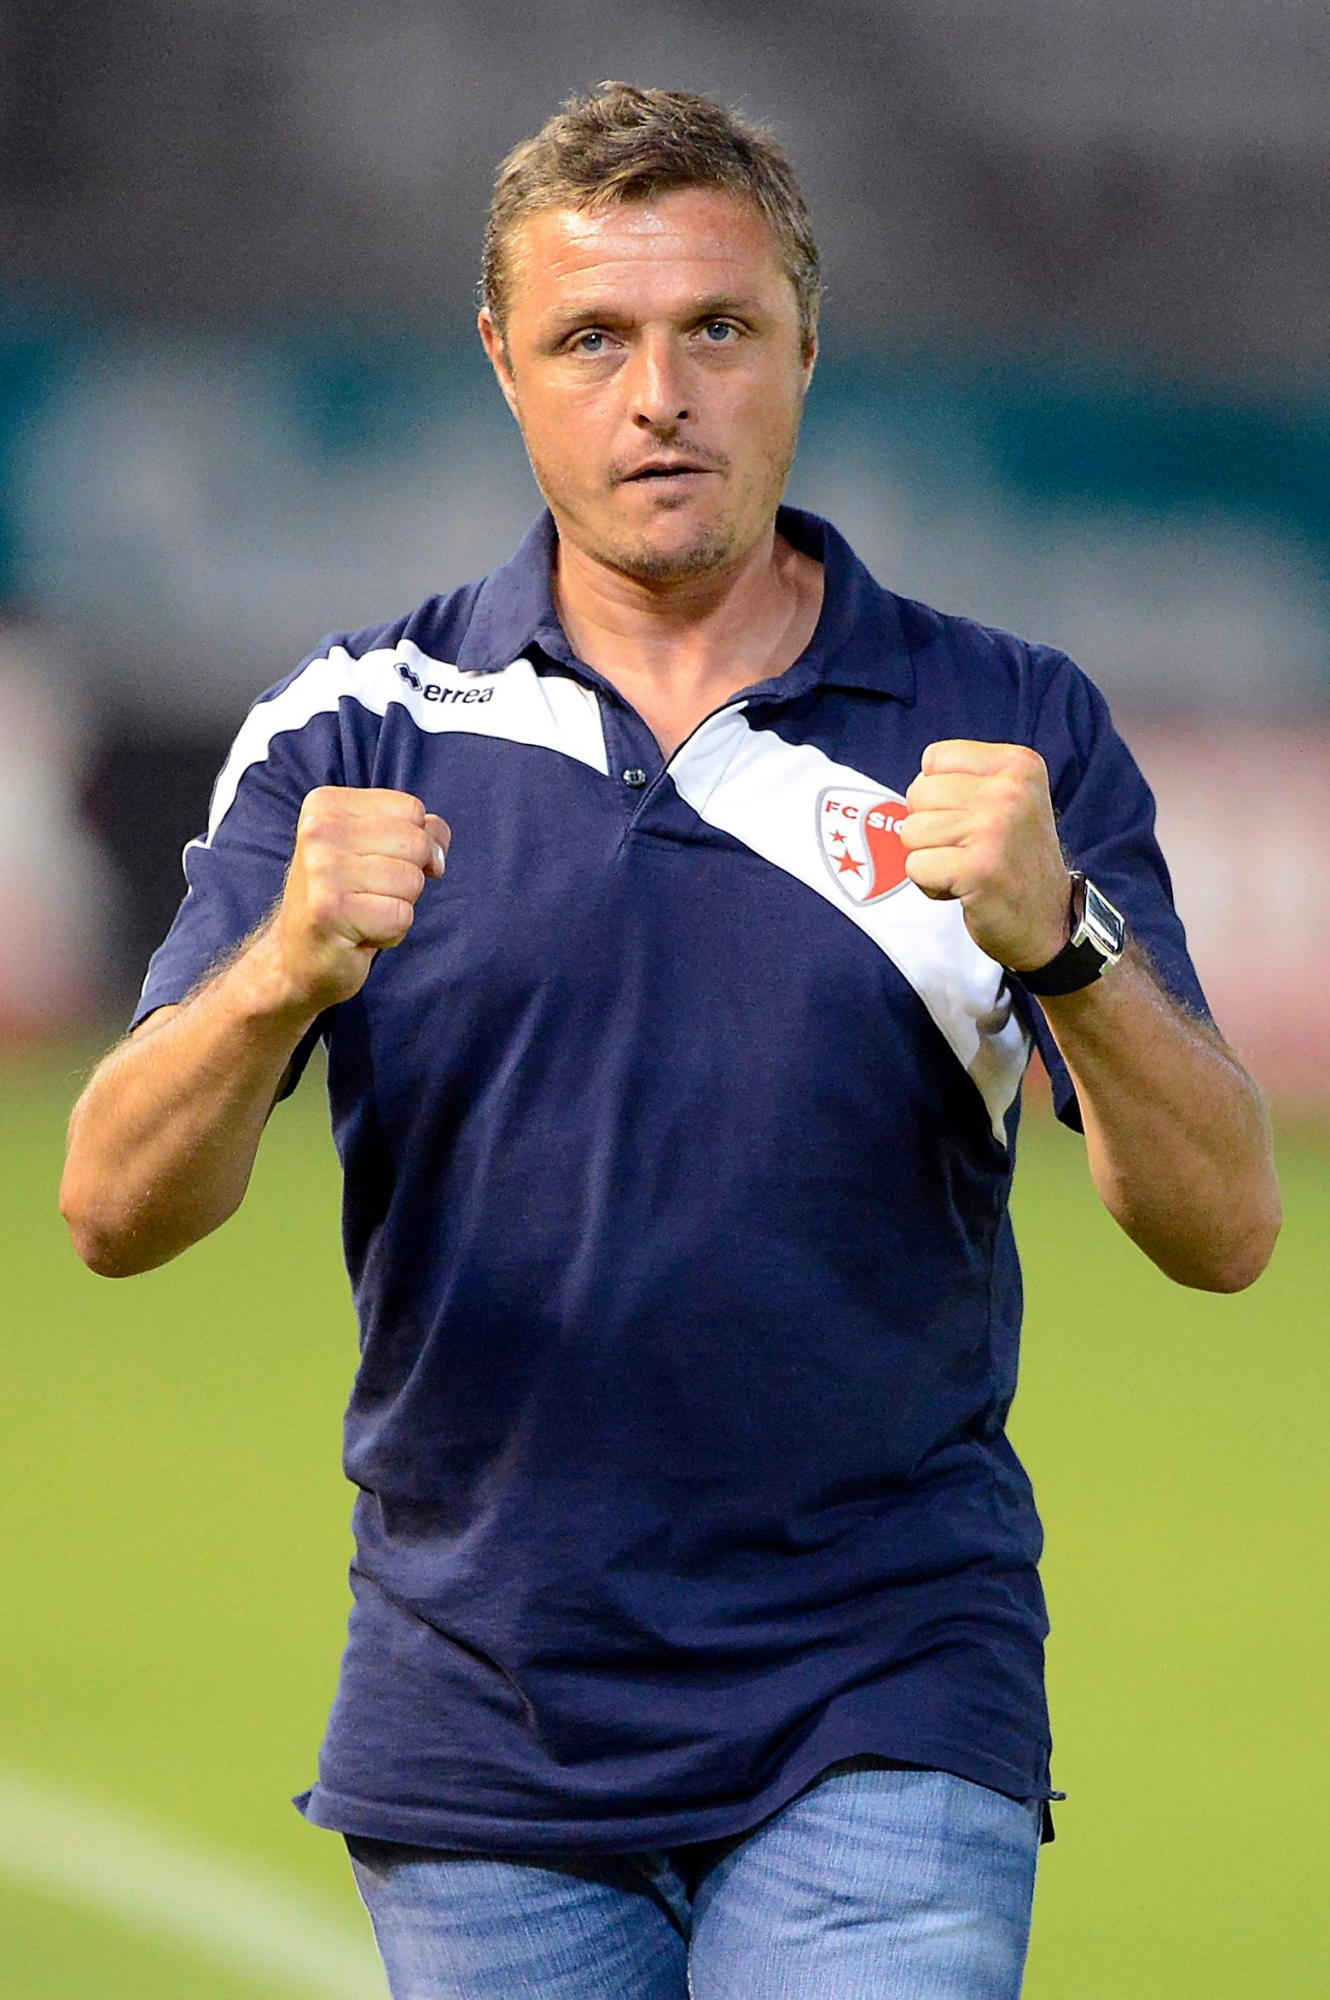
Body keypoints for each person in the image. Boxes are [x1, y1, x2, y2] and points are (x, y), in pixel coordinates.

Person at [61, 82, 1280, 2000]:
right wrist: (278, 969)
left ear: (805, 340)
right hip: (483, 1729)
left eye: (716, 327)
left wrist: (1069, 943)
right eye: (591, 340)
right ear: (502, 362)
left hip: (888, 1687)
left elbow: (1222, 1225)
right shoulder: (355, 728)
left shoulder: (1000, 721)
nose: (659, 395)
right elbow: (113, 1202)